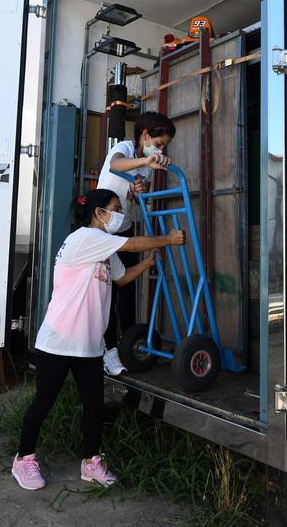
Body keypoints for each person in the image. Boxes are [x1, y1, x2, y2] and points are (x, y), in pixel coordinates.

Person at [12, 189, 185, 491]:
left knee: (93, 405)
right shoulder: (85, 239)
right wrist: (168, 239)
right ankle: (23, 459)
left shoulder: (104, 250)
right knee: (44, 402)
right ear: (98, 212)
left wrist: (146, 264)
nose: (119, 214)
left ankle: (91, 463)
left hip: (89, 346)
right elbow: (132, 243)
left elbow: (120, 277)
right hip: (58, 343)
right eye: (115, 208)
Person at [94, 111, 176, 376]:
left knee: (127, 290)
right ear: (145, 135)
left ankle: (129, 347)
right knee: (108, 295)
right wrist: (148, 159)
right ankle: (109, 353)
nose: (161, 149)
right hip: (104, 229)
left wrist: (136, 191)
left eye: (164, 146)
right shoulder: (125, 148)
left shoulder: (144, 165)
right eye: (159, 143)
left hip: (123, 227)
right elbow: (116, 166)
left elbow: (130, 194)